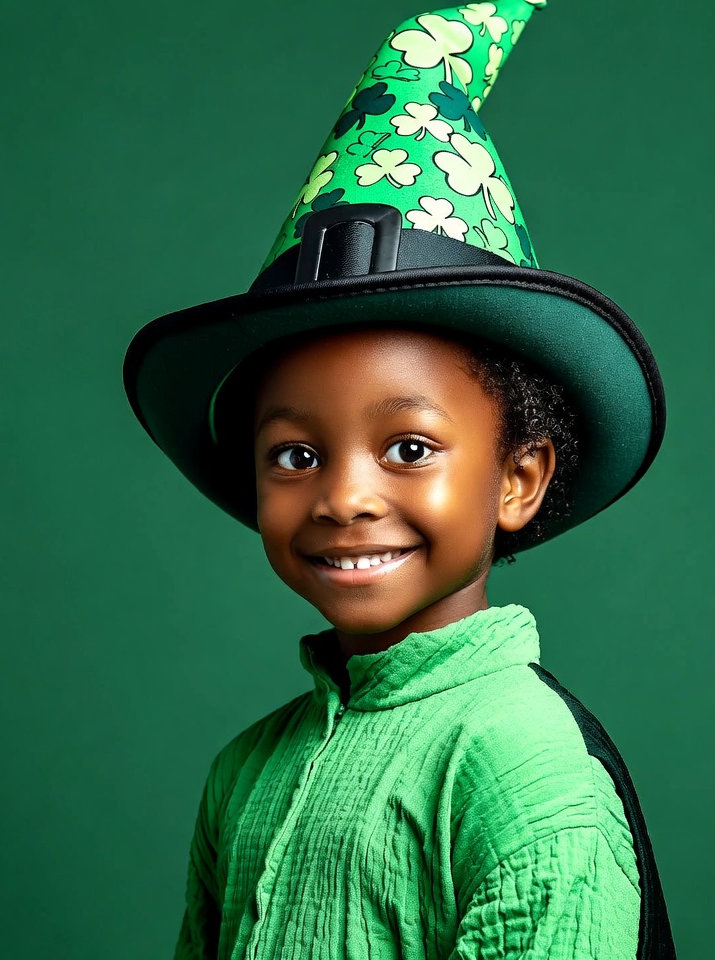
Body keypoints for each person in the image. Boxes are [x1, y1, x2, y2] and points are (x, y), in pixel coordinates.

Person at [124, 2, 677, 957]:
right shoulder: (244, 771)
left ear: (519, 478)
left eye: (410, 448)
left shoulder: (521, 767)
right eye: (295, 455)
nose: (343, 497)